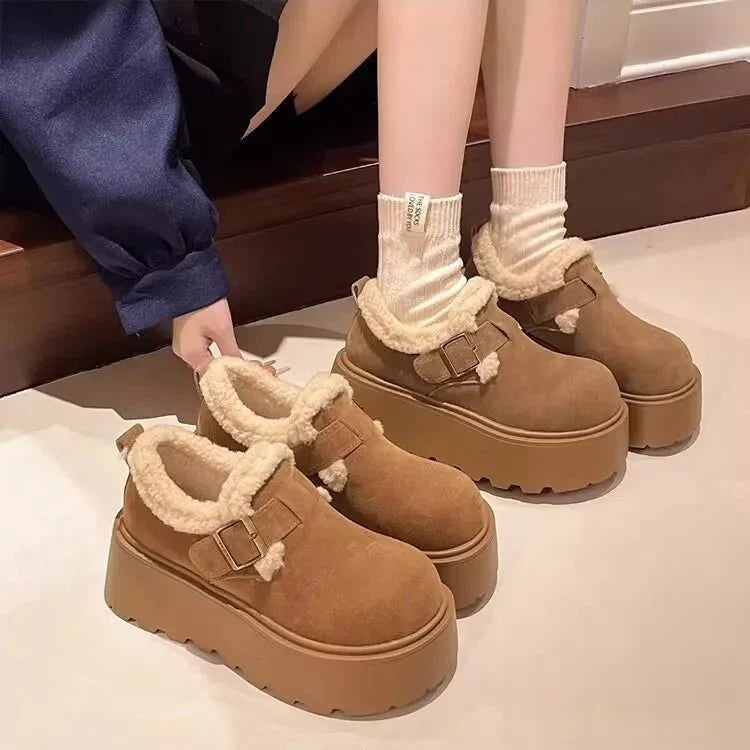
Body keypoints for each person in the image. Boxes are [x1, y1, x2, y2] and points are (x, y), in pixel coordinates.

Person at [0, 0, 701, 490]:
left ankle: (530, 241)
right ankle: (419, 303)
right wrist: (168, 252)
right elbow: (47, 40)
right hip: (92, 108)